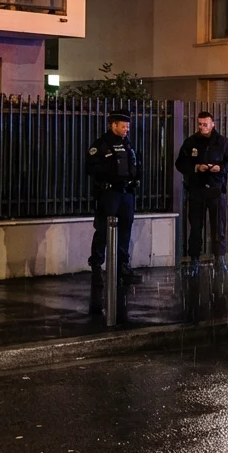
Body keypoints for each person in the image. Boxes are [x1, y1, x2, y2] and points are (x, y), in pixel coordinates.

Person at [87, 112, 141, 314]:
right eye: (123, 125)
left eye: (128, 125)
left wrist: (136, 180)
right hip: (109, 193)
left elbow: (136, 164)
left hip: (126, 193)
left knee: (125, 230)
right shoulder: (101, 145)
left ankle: (122, 267)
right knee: (102, 230)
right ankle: (96, 267)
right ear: (113, 125)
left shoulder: (128, 144)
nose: (127, 129)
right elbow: (91, 168)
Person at [174, 111, 228, 274]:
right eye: (200, 124)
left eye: (205, 124)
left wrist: (221, 168)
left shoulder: (223, 142)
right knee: (196, 227)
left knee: (219, 228)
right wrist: (196, 167)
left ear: (212, 124)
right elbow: (180, 163)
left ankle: (220, 260)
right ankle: (194, 260)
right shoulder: (191, 142)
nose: (202, 127)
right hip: (197, 189)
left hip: (217, 190)